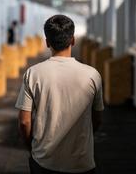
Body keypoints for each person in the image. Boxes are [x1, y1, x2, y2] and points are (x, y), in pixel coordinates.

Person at [15, 14, 104, 174]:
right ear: (73, 40)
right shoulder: (92, 75)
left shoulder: (33, 73)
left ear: (47, 42)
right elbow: (96, 119)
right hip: (81, 162)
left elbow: (24, 122)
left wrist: (33, 148)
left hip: (44, 161)